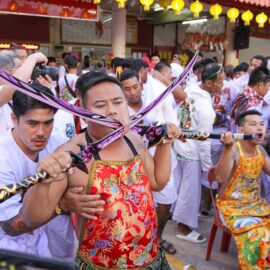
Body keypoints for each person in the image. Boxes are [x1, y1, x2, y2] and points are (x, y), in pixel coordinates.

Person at [21, 71, 181, 269]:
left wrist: (164, 143)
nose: (112, 111)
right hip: (99, 265)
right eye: (100, 105)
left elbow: (157, 182)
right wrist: (43, 183)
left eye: (118, 102)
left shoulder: (134, 140)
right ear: (83, 112)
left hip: (150, 259)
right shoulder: (70, 155)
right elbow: (32, 218)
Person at [173, 63, 224, 243]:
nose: (222, 86)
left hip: (179, 145)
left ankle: (177, 216)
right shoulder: (205, 109)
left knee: (181, 186)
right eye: (220, 82)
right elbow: (204, 140)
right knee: (190, 191)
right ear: (209, 84)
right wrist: (208, 167)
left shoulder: (191, 88)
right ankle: (183, 227)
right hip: (192, 151)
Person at [215, 110, 270, 269]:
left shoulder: (260, 151)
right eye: (253, 124)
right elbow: (219, 177)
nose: (260, 128)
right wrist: (227, 148)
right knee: (259, 237)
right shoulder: (233, 150)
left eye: (261, 124)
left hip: (255, 205)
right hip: (232, 208)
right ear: (241, 131)